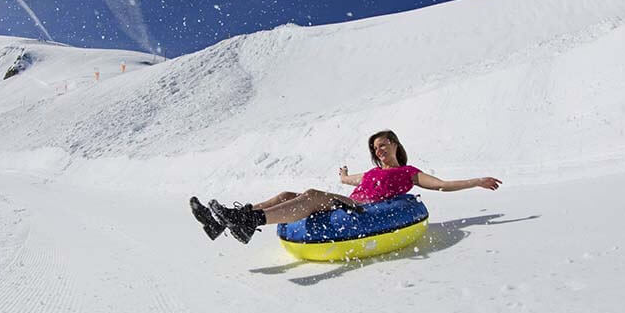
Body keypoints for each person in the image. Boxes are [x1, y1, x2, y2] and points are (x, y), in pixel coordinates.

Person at [190, 130, 501, 244]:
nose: (379, 150)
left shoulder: (408, 172)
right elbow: (347, 182)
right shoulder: (368, 173)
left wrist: (476, 181)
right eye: (375, 148)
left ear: (394, 144)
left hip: (368, 210)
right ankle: (223, 221)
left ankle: (249, 222)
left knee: (311, 195)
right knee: (288, 195)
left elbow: (442, 185)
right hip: (350, 201)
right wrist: (343, 175)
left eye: (383, 145)